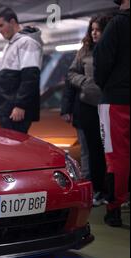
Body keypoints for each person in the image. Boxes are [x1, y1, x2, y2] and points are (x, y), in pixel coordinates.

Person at [67, 14, 112, 207]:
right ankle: (98, 190)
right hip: (88, 106)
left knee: (110, 151)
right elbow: (71, 73)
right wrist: (85, 82)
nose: (94, 33)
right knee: (93, 152)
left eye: (98, 29)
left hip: (110, 104)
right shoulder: (85, 50)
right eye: (92, 29)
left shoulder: (114, 49)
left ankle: (115, 190)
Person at [93, 0, 130, 227]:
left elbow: (101, 60)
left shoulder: (117, 24)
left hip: (117, 100)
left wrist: (107, 85)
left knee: (117, 158)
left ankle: (114, 209)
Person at [0, 7, 43, 133]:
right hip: (7, 110)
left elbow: (30, 77)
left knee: (16, 148)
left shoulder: (27, 42)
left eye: (1, 25)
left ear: (13, 22)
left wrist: (20, 105)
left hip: (16, 112)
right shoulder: (9, 45)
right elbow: (1, 80)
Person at [61, 79, 91, 181]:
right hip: (82, 113)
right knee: (86, 151)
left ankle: (91, 180)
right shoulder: (76, 69)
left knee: (87, 151)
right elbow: (69, 89)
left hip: (88, 112)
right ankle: (86, 180)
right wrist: (66, 110)